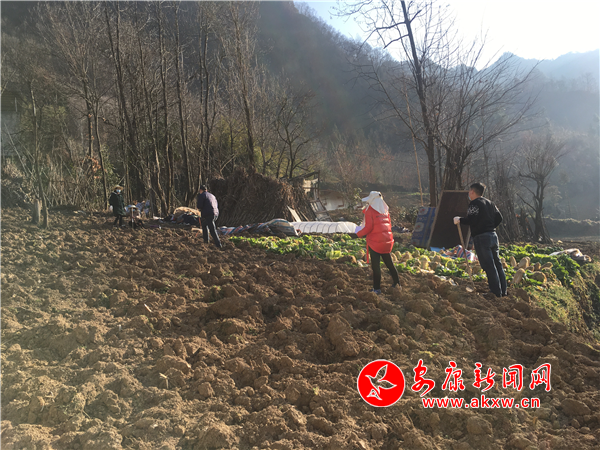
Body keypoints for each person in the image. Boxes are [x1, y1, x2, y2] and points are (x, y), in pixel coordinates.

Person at [454, 182, 507, 298]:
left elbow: (471, 220)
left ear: (472, 191)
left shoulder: (474, 204)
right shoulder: (490, 203)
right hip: (493, 235)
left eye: (469, 191)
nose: (469, 193)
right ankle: (503, 290)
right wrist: (490, 226)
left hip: (481, 238)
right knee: (497, 264)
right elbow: (499, 217)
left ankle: (495, 292)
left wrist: (460, 220)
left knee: (489, 265)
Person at [356, 191, 400, 294]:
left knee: (376, 267)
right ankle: (397, 284)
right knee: (390, 264)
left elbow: (368, 227)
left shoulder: (370, 211)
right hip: (387, 242)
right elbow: (388, 226)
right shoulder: (385, 211)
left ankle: (376, 289)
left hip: (375, 242)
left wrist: (359, 234)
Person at [196, 185, 222, 249]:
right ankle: (206, 241)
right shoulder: (212, 196)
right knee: (204, 225)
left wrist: (199, 209)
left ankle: (218, 244)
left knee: (212, 230)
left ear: (200, 190)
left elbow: (199, 205)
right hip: (216, 213)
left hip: (209, 214)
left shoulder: (202, 195)